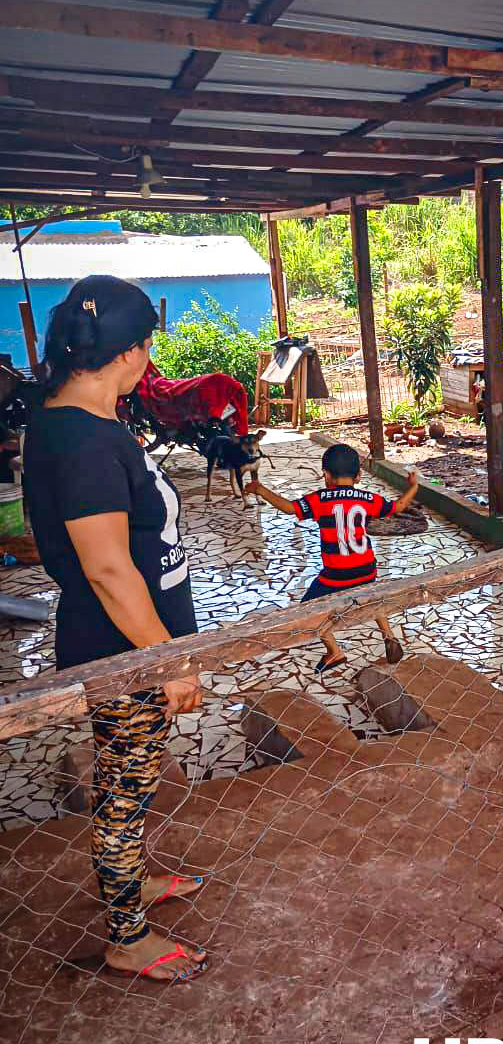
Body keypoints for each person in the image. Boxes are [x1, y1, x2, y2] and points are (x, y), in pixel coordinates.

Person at [23, 276, 209, 982]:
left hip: (132, 642)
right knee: (124, 793)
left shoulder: (79, 421)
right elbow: (105, 569)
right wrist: (168, 660)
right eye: (148, 346)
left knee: (129, 777)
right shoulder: (84, 440)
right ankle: (127, 936)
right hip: (123, 651)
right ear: (131, 352)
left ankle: (132, 880)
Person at [246, 443, 419, 671]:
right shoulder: (368, 499)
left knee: (308, 609)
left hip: (336, 575)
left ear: (326, 475)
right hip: (366, 569)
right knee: (371, 595)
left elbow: (289, 508)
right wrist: (414, 486)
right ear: (358, 476)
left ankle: (334, 651)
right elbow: (399, 506)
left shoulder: (320, 500)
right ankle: (389, 636)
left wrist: (261, 490)